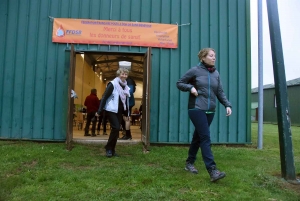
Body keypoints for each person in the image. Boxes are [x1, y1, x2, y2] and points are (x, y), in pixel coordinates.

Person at [176, 48, 232, 182]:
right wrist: (191, 88)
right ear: (203, 58)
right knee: (205, 137)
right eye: (211, 56)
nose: (214, 58)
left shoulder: (216, 74)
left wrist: (227, 105)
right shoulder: (195, 71)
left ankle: (189, 163)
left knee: (198, 137)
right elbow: (180, 83)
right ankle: (212, 170)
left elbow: (220, 92)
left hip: (210, 110)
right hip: (196, 108)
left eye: (215, 56)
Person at [96, 68, 131, 157]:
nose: (124, 76)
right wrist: (99, 110)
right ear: (119, 74)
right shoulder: (112, 84)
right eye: (122, 74)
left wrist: (127, 113)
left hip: (119, 111)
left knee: (116, 130)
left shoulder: (126, 87)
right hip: (111, 109)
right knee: (115, 128)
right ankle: (108, 148)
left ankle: (112, 150)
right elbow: (104, 97)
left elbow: (126, 101)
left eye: (126, 74)